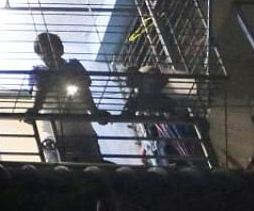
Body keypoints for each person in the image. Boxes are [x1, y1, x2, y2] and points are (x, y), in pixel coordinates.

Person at [23, 32, 109, 163]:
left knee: (93, 168)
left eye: (51, 50)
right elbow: (39, 91)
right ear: (39, 55)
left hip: (82, 132)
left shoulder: (73, 66)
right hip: (54, 134)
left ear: (60, 49)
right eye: (43, 53)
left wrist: (95, 112)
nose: (48, 56)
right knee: (61, 172)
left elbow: (85, 89)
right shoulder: (38, 72)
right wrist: (34, 110)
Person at [123, 66, 200, 166]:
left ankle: (190, 155)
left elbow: (152, 92)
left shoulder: (148, 80)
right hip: (173, 109)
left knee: (176, 132)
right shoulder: (142, 90)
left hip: (176, 106)